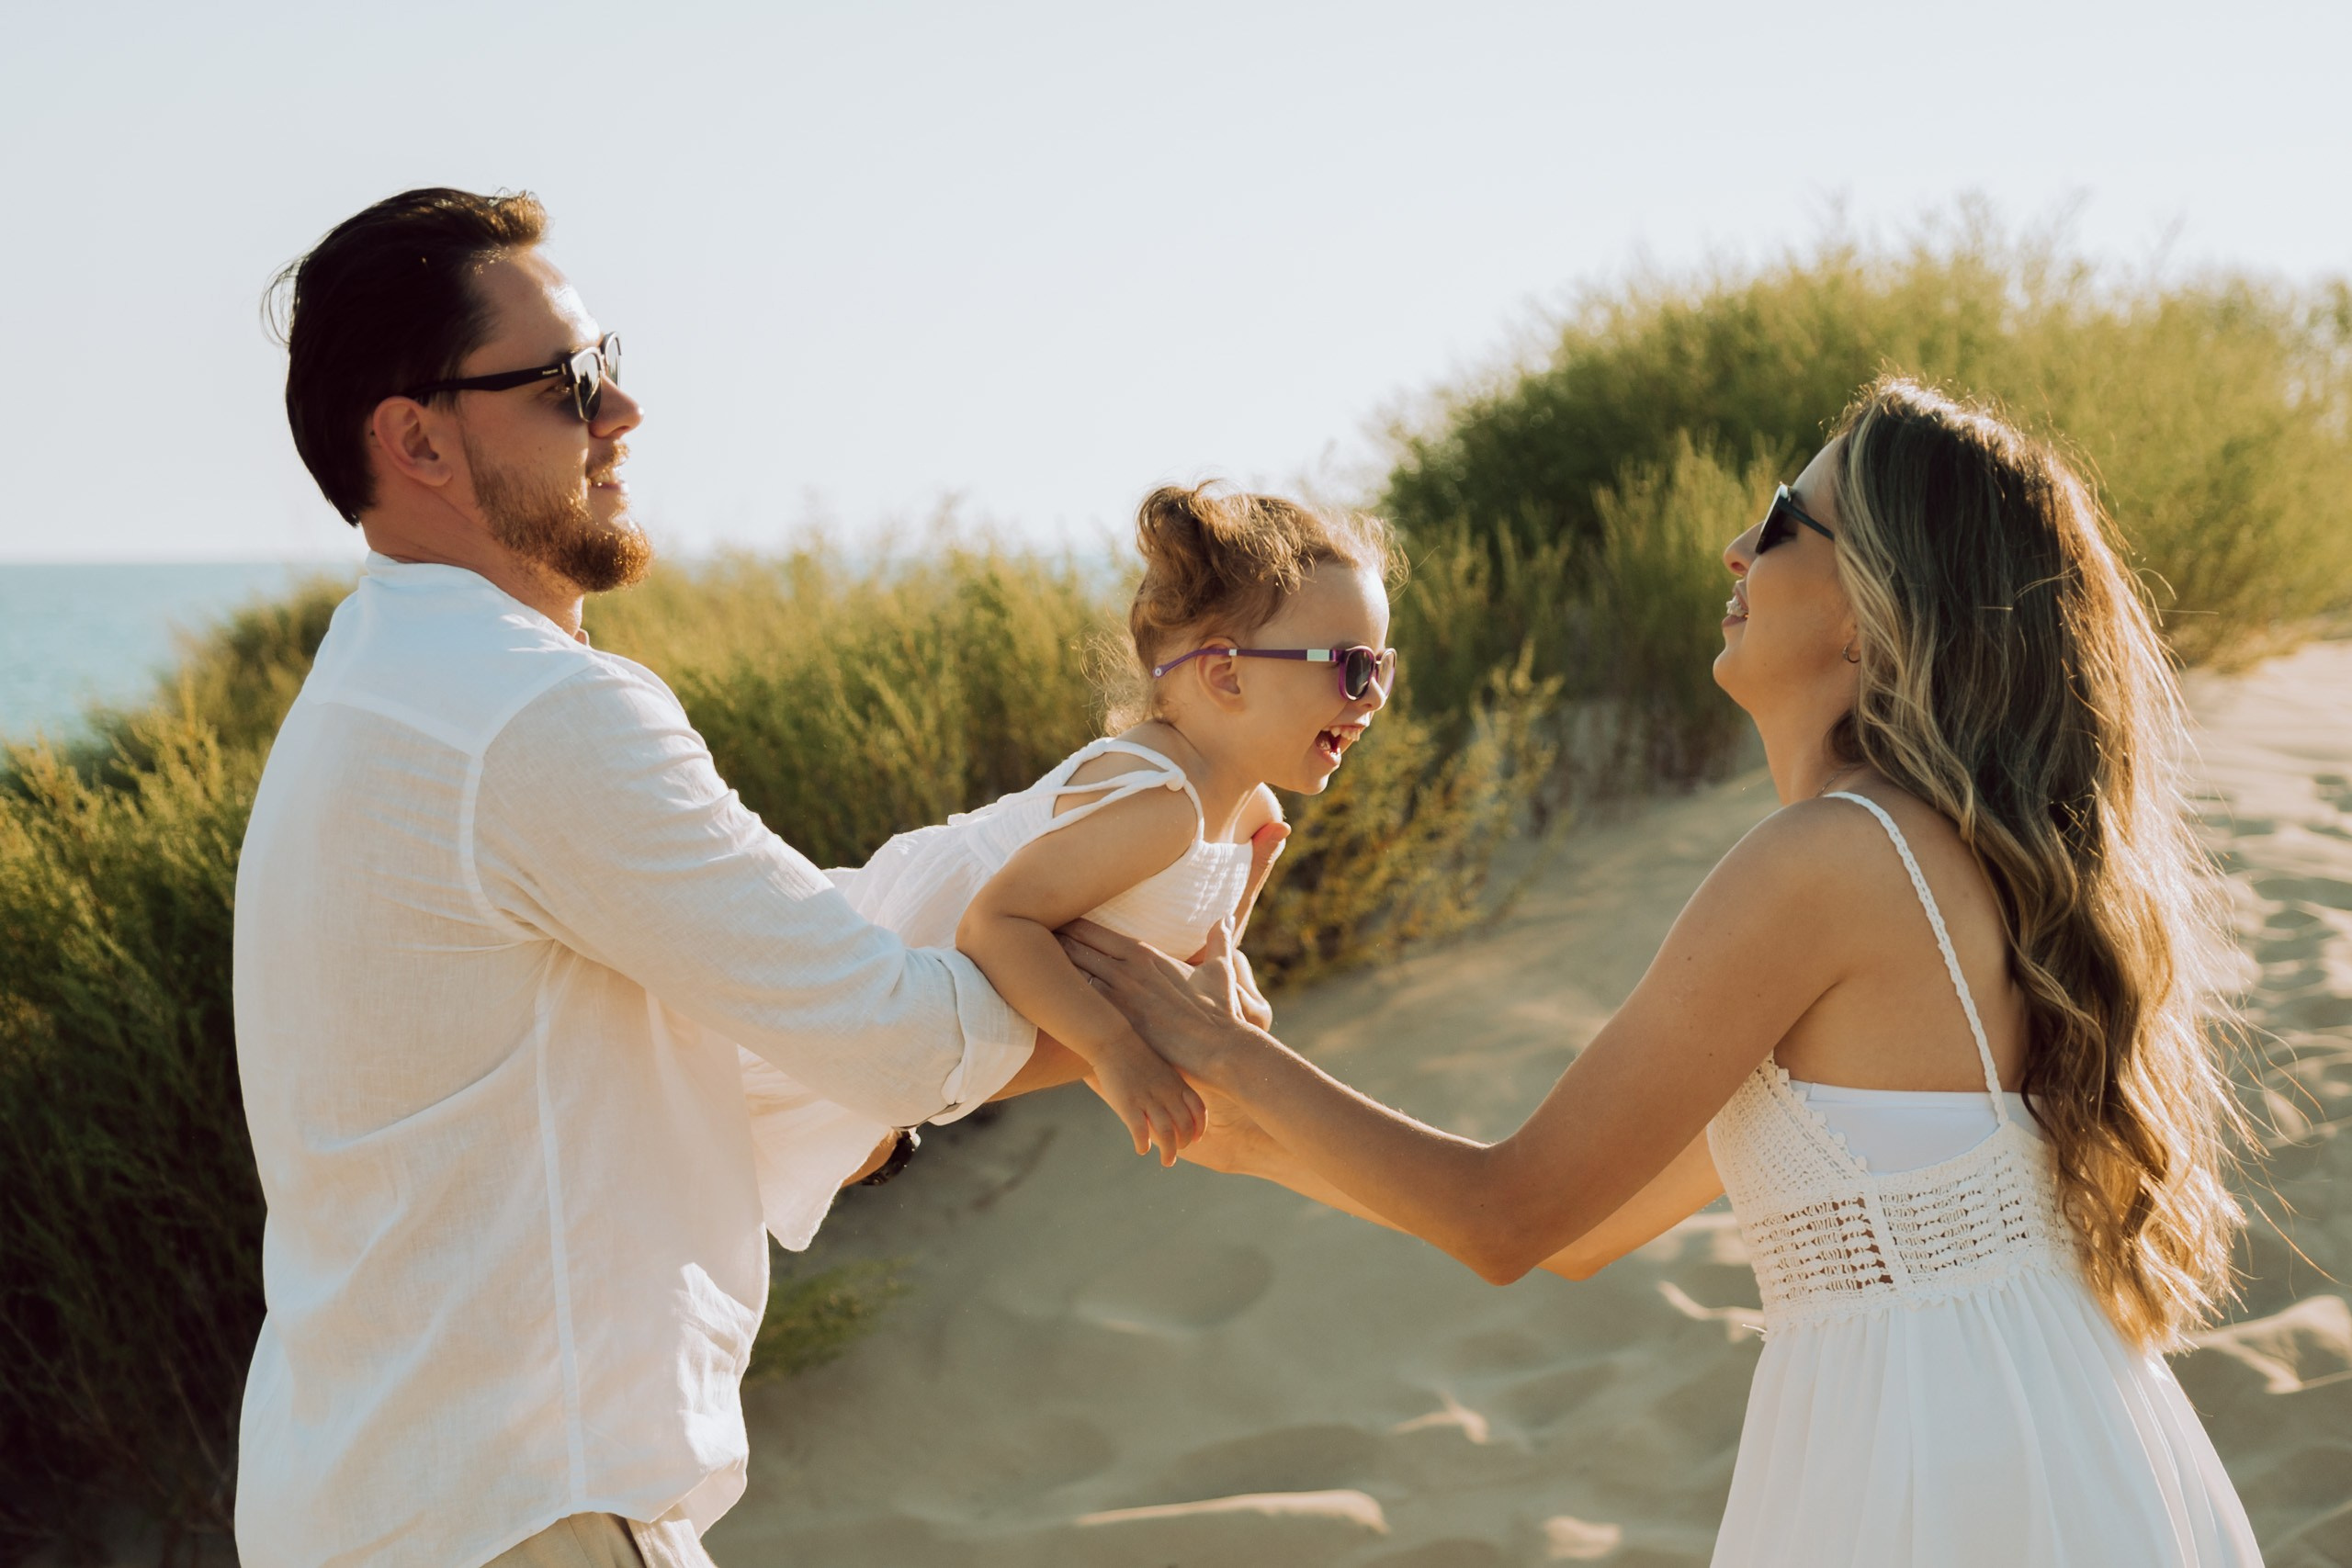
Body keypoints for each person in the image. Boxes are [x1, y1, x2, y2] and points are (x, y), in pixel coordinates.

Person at [1069, 377, 2262, 1565]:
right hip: (2047, 1436)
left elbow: (1508, 1212)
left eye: (1788, 519)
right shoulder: (1924, 857)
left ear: (1873, 607)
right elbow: (1579, 1230)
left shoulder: (1837, 857)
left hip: (1937, 1467)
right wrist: (1229, 1118)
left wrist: (1223, 1045)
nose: (1740, 546)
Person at [233, 186, 1239, 1568]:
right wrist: (1155, 992)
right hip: (530, 1512)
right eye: (570, 382)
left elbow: (729, 999)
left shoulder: (364, 699)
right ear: (417, 440)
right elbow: (901, 1037)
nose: (622, 414)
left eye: (612, 362)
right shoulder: (533, 715)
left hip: (365, 1508)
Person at [741, 482, 1392, 1215]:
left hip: (932, 1038)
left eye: (1383, 667)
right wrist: (1116, 1050)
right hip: (872, 956)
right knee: (700, 1092)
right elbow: (994, 925)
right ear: (1227, 673)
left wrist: (1222, 996)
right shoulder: (1163, 808)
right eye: (1352, 667)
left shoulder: (1250, 816)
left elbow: (1179, 965)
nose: (1371, 698)